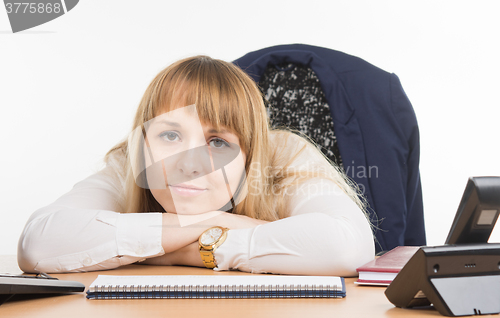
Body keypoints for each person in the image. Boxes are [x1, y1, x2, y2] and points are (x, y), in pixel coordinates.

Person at [17, 56, 374, 276]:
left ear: (250, 157)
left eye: (218, 143)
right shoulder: (128, 164)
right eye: (170, 136)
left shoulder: (285, 161)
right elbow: (38, 243)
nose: (189, 164)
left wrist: (171, 252)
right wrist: (216, 223)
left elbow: (347, 248)